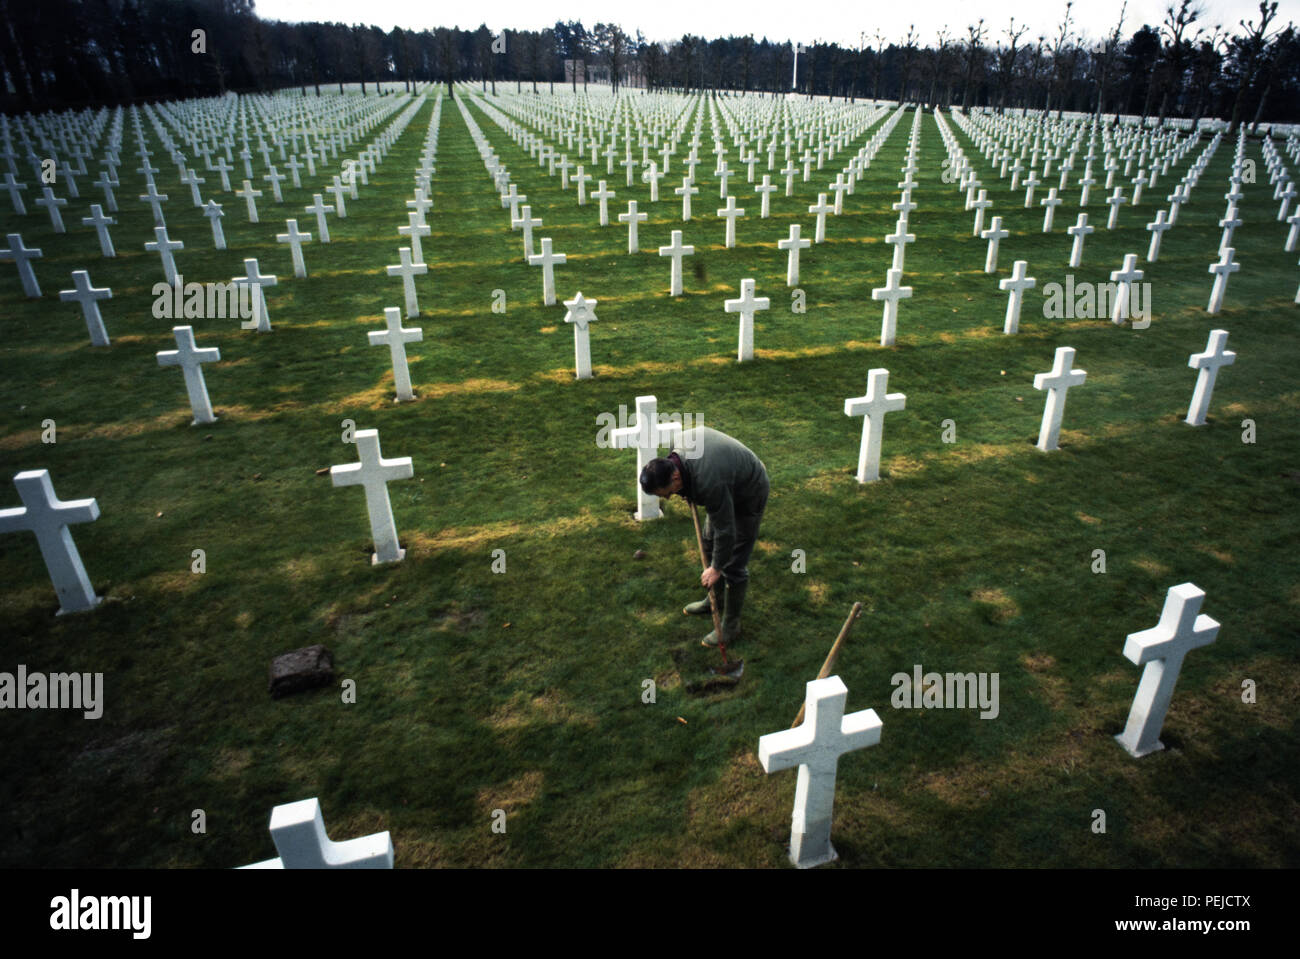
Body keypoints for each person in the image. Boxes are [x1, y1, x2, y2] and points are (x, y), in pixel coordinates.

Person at [639, 426, 769, 648]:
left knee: (733, 563)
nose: (670, 498)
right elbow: (716, 528)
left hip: (748, 490)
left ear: (676, 475)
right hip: (723, 480)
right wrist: (686, 489)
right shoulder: (675, 449)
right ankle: (714, 601)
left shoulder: (709, 482)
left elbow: (727, 531)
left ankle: (730, 626)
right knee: (708, 541)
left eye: (669, 492)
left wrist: (716, 568)